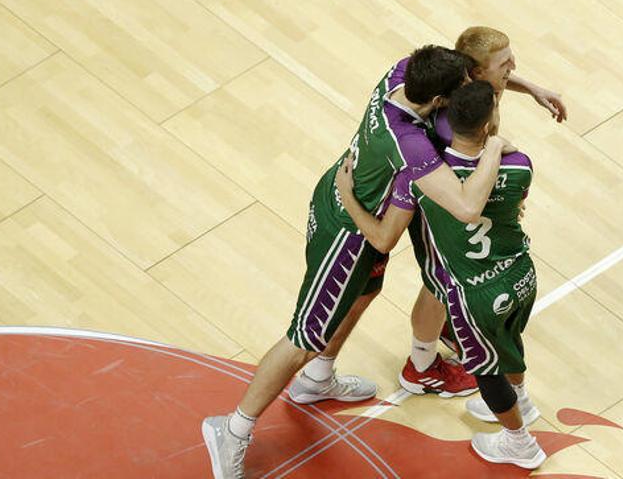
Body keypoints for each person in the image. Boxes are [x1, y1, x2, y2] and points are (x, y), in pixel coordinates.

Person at [201, 45, 512, 479]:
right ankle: (232, 430)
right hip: (349, 235)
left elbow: (467, 66)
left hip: (341, 197)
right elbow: (465, 206)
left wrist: (525, 85)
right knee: (304, 336)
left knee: (366, 292)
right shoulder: (410, 148)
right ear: (439, 101)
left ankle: (317, 379)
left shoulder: (400, 75)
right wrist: (495, 147)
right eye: (458, 90)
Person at [300, 26, 567, 400]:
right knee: (442, 280)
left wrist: (533, 89)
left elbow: (496, 77)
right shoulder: (450, 120)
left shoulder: (468, 83)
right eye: (505, 63)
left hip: (447, 191)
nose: (513, 66)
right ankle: (422, 367)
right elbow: (461, 199)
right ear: (473, 74)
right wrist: (497, 167)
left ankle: (437, 334)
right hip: (438, 200)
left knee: (436, 285)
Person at [336, 80, 546, 469]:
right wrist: (497, 146)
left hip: (473, 294)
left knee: (486, 371)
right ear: (490, 123)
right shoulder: (521, 164)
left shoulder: (421, 179)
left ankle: (520, 443)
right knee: (508, 339)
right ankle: (523, 401)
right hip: (520, 273)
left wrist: (348, 195)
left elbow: (383, 239)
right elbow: (512, 206)